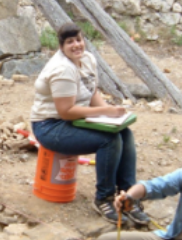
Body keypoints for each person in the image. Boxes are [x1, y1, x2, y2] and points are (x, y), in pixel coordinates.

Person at [30, 22, 149, 225]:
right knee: (109, 141)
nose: (76, 45)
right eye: (70, 42)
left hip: (74, 119)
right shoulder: (62, 69)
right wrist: (105, 111)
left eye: (78, 39)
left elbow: (91, 92)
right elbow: (66, 112)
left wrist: (111, 118)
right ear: (61, 46)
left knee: (124, 133)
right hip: (50, 126)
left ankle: (128, 195)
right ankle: (104, 197)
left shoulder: (87, 60)